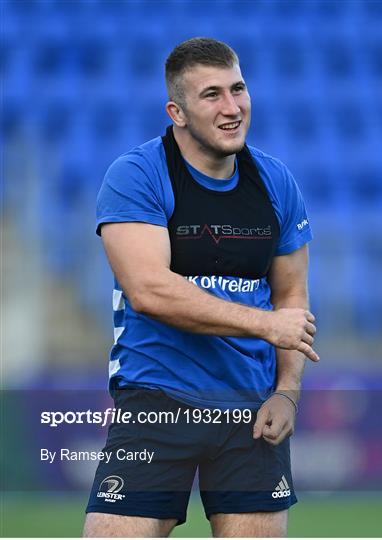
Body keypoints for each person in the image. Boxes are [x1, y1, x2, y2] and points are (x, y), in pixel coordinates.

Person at [83, 37, 317, 538]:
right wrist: (265, 324)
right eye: (212, 95)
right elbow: (150, 290)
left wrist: (288, 393)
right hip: (155, 402)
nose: (232, 107)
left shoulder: (276, 183)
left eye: (238, 89)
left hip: (251, 411)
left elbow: (292, 299)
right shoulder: (137, 175)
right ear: (178, 111)